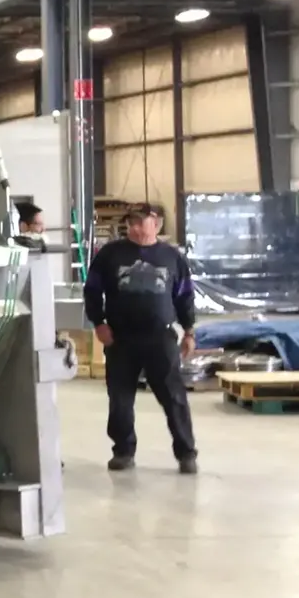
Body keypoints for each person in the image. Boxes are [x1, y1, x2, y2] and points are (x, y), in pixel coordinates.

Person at [85, 203, 199, 475]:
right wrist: (98, 323)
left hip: (160, 338)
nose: (134, 227)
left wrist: (189, 331)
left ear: (156, 224)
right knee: (120, 398)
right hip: (121, 338)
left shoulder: (172, 257)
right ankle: (123, 451)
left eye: (140, 222)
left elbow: (185, 295)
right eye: (130, 223)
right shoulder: (110, 255)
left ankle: (186, 453)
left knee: (174, 397)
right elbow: (92, 291)